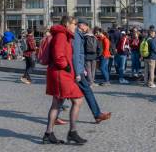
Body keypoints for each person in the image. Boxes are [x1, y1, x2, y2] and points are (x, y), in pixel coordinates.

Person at [43, 16, 87, 145]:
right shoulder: (62, 35)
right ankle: (72, 132)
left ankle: (48, 134)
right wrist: (66, 66)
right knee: (78, 100)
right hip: (61, 74)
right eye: (74, 24)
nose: (76, 26)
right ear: (67, 24)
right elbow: (58, 55)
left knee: (57, 103)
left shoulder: (62, 34)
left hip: (59, 73)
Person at [72, 19, 112, 124]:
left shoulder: (79, 35)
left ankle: (97, 114)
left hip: (79, 69)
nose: (87, 28)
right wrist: (78, 72)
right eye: (87, 26)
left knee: (62, 98)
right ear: (82, 25)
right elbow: (76, 55)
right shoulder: (77, 36)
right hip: (77, 70)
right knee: (85, 92)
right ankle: (97, 115)